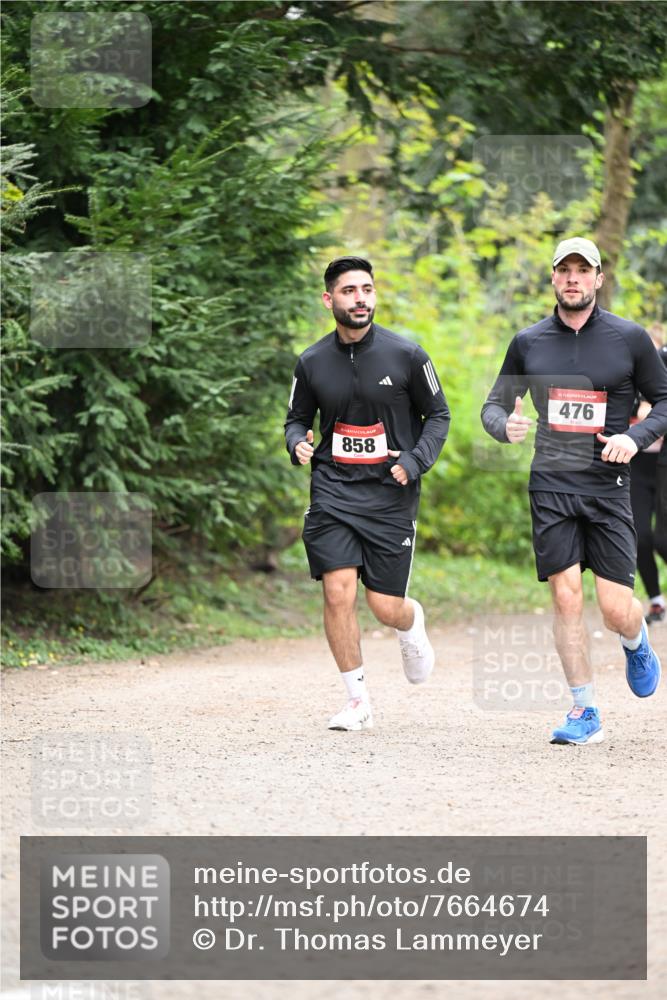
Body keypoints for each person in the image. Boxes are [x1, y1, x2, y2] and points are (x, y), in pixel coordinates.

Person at [481, 237, 667, 746]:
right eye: (564, 270)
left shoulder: (630, 339)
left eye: (582, 270)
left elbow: (666, 399)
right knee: (566, 597)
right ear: (553, 279)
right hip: (552, 483)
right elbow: (494, 406)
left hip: (608, 486)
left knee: (615, 608)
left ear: (598, 278)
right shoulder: (529, 341)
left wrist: (634, 436)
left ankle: (635, 637)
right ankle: (584, 709)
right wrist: (505, 427)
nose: (573, 278)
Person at [285, 256, 450, 731]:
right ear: (329, 299)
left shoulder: (407, 356)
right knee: (337, 593)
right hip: (334, 490)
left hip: (390, 495)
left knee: (384, 606)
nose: (360, 298)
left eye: (367, 290)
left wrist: (413, 461)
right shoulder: (312, 361)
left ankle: (411, 620)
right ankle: (357, 700)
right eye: (350, 291)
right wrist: (297, 441)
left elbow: (438, 416)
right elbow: (296, 418)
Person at [629, 323, 667, 623]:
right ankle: (656, 600)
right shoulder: (625, 379)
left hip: (663, 466)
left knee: (662, 540)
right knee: (640, 537)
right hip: (637, 466)